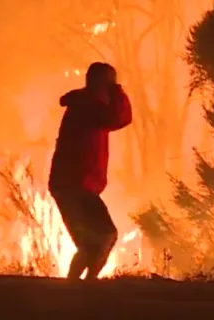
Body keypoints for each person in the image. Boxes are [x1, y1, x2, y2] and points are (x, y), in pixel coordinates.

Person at [48, 62, 132, 280]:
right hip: (75, 185)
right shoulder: (88, 106)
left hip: (75, 184)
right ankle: (81, 288)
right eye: (110, 83)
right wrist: (118, 92)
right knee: (103, 237)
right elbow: (120, 118)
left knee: (93, 243)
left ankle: (78, 288)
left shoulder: (85, 104)